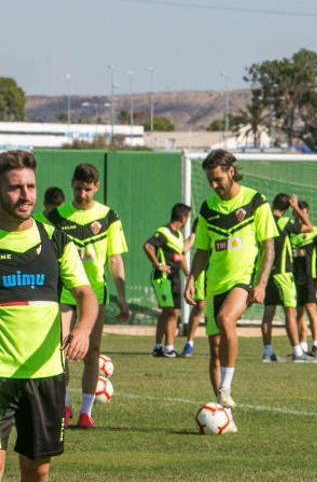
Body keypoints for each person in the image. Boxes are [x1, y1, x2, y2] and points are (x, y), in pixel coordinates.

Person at [0, 150, 97, 481]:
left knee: (37, 471)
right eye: (16, 187)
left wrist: (82, 330)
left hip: (45, 374)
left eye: (30, 186)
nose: (26, 195)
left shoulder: (55, 240)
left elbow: (86, 294)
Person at [184, 150, 277, 414]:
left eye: (217, 179)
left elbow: (268, 247)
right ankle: (222, 411)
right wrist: (192, 279)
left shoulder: (255, 201)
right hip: (215, 284)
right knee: (214, 348)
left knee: (227, 319)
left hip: (243, 280)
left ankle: (226, 386)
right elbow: (202, 250)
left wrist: (261, 284)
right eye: (210, 181)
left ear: (231, 172)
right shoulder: (208, 208)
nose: (214, 185)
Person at [47, 163, 129, 429]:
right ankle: (65, 405)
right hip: (64, 293)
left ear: (97, 188)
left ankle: (86, 412)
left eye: (88, 189)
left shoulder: (108, 217)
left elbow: (115, 259)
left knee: (92, 352)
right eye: (79, 188)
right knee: (61, 350)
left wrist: (122, 297)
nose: (83, 194)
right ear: (72, 184)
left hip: (95, 295)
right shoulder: (56, 217)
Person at [260, 193, 317, 363]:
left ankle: (268, 352)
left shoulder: (265, 221)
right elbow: (309, 227)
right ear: (287, 208)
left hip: (267, 272)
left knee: (269, 312)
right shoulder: (284, 222)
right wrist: (296, 208)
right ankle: (297, 352)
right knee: (290, 313)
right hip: (283, 273)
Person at [143, 203, 191, 358]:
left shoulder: (178, 236)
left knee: (171, 312)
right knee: (170, 311)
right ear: (183, 217)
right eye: (187, 218)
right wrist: (158, 264)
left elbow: (180, 257)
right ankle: (164, 347)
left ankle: (163, 347)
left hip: (175, 278)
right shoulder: (163, 232)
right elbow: (148, 246)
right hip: (163, 278)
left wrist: (189, 275)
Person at [291, 200, 317, 360]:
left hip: (310, 277)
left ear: (307, 213)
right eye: (297, 213)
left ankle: (316, 345)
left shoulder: (314, 232)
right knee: (298, 313)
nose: (300, 216)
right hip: (294, 279)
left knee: (311, 310)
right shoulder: (291, 233)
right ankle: (303, 346)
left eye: (303, 213)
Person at [181, 216, 206, 358]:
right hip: (202, 272)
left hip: (220, 271)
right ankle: (189, 342)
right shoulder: (197, 235)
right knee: (200, 306)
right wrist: (188, 273)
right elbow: (181, 252)